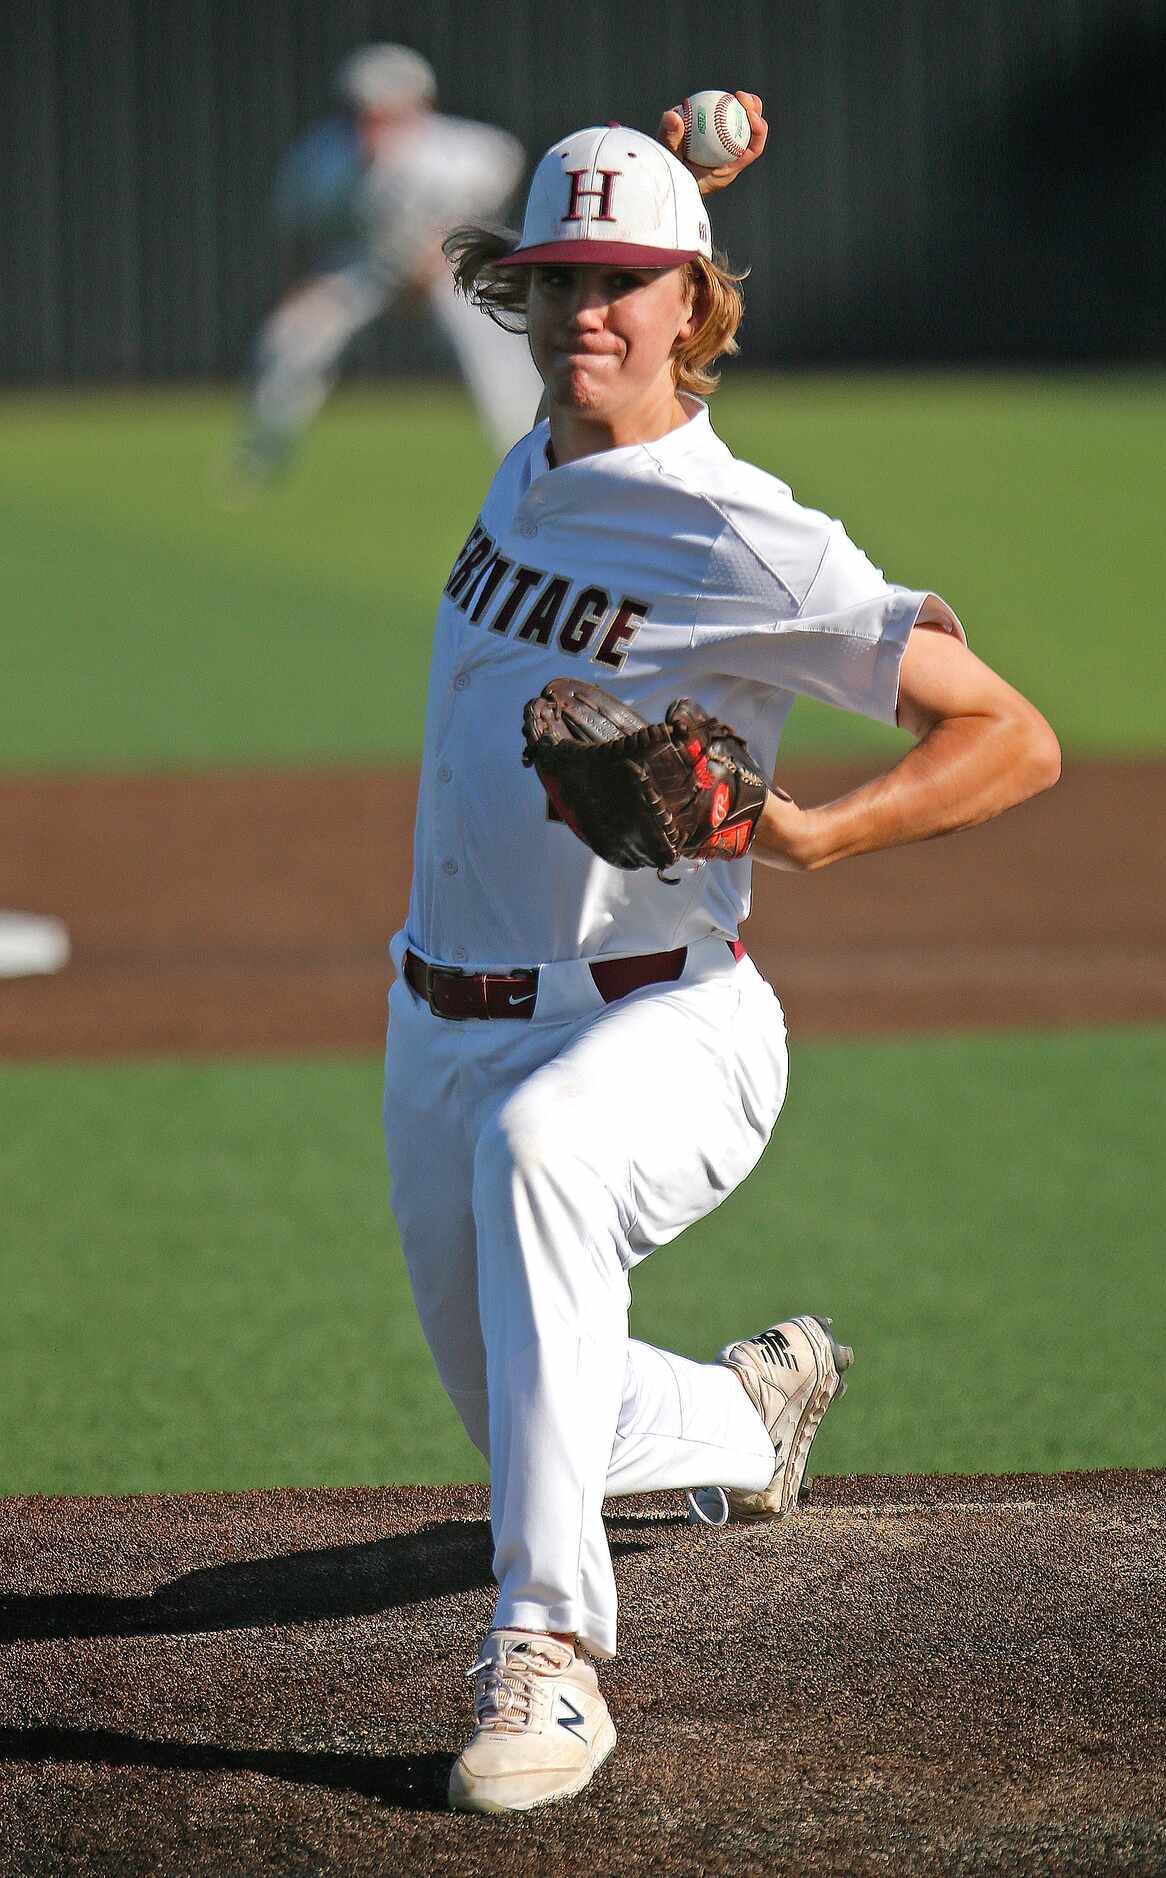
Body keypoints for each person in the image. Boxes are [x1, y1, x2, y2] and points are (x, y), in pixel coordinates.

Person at [381, 94, 1061, 1815]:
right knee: (547, 1410)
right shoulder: (535, 451)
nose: (582, 314)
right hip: (436, 1024)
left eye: (625, 284)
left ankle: (547, 1658)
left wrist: (816, 833)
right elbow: (612, 248)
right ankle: (744, 1421)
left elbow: (1010, 737)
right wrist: (676, 177)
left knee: (544, 1171)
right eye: (553, 282)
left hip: (666, 1025)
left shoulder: (738, 528)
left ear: (695, 303)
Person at [232, 43, 540, 483]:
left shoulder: (463, 151)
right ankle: (261, 457)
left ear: (421, 106)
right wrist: (302, 281)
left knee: (494, 348)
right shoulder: (324, 159)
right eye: (365, 112)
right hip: (368, 264)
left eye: (389, 112)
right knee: (292, 336)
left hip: (448, 263)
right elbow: (296, 228)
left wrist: (455, 241)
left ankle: (528, 458)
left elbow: (504, 168)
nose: (374, 124)